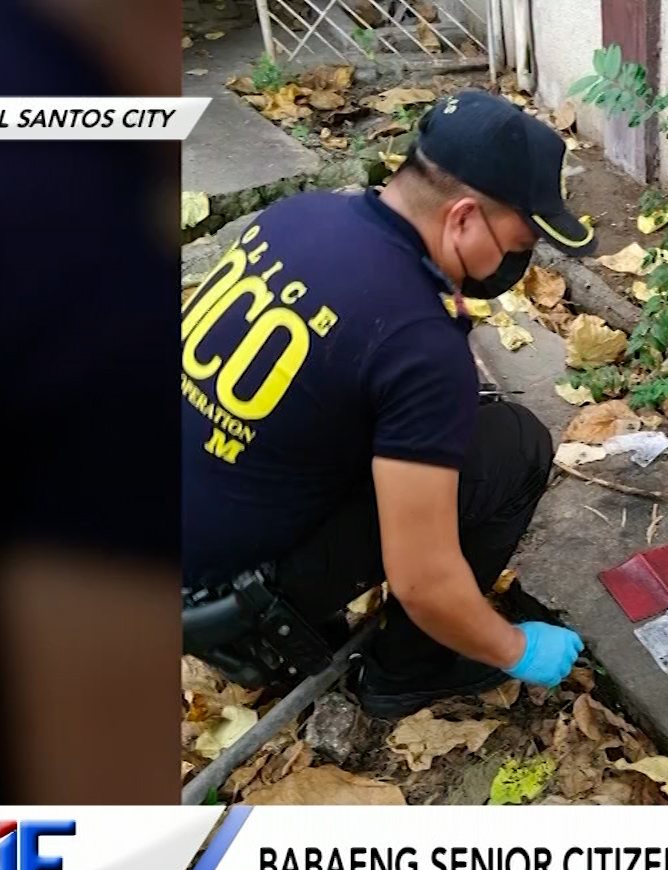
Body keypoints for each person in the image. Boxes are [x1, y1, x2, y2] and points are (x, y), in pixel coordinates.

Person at [182, 89, 589, 715]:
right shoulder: (420, 343)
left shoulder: (299, 215)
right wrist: (513, 648)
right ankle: (408, 673)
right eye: (522, 237)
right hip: (220, 599)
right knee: (515, 445)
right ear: (461, 219)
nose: (523, 258)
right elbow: (422, 580)